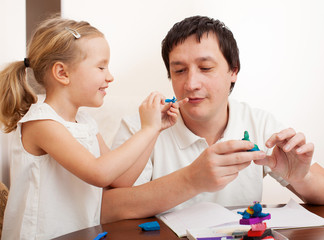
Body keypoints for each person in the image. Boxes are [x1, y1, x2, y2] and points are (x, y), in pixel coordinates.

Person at [100, 15, 324, 223]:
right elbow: (106, 209)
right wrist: (191, 180)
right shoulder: (140, 127)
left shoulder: (259, 123)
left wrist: (300, 177)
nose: (190, 84)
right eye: (179, 71)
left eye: (205, 68)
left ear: (233, 70)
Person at [0, 16, 187, 240]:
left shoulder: (85, 122)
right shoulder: (41, 123)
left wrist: (154, 130)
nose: (110, 76)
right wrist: (145, 129)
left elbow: (120, 180)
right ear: (62, 73)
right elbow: (100, 173)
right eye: (101, 67)